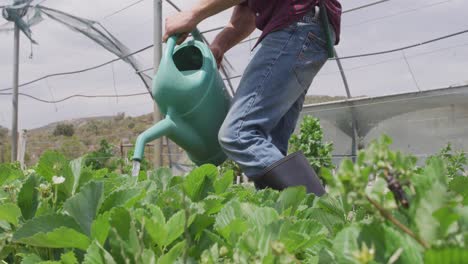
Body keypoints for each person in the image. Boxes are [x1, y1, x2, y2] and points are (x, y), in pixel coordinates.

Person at [164, 0, 341, 195]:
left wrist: (193, 13)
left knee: (238, 133)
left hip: (298, 25)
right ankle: (290, 221)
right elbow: (246, 15)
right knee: (268, 143)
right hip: (308, 28)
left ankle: (322, 214)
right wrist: (219, 45)